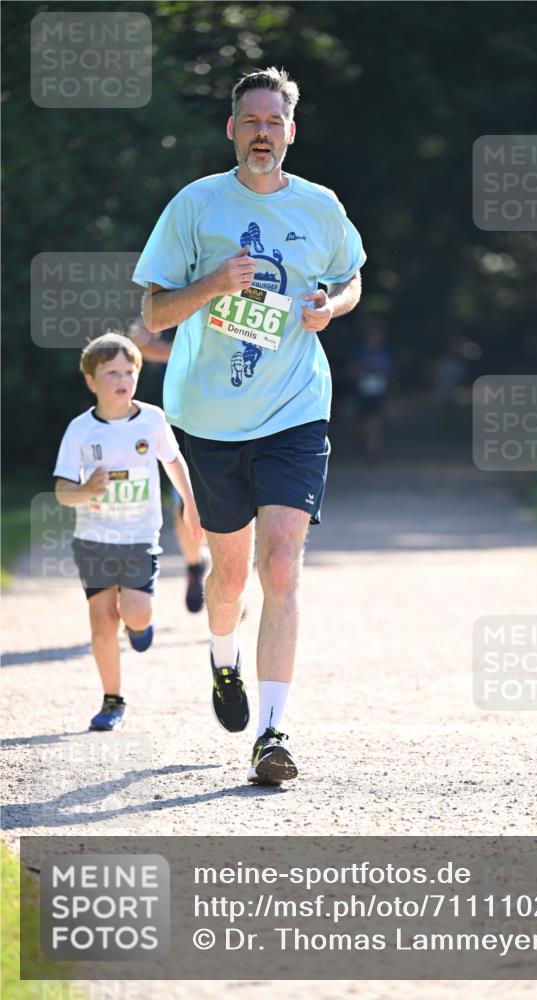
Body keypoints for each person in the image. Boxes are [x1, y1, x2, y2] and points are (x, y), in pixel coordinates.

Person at [133, 66, 365, 785]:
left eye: (274, 122)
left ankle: (272, 732)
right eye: (250, 121)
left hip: (295, 408)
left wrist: (333, 305)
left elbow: (352, 276)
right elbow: (152, 315)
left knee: (283, 565)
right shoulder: (195, 205)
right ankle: (222, 659)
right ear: (231, 129)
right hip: (208, 416)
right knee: (229, 577)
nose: (262, 133)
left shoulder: (320, 206)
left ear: (290, 132)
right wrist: (212, 285)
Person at [53, 332, 201, 731]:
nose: (122, 379)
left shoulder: (152, 419)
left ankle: (140, 626)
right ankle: (112, 700)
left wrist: (190, 504)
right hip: (94, 541)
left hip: (139, 537)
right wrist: (86, 490)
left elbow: (174, 463)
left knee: (135, 612)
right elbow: (63, 492)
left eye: (129, 371)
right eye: (111, 372)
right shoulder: (80, 430)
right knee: (102, 621)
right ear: (91, 380)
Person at [128, 318, 208, 613]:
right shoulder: (174, 288)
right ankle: (195, 565)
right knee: (185, 503)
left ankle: (228, 578)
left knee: (237, 506)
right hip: (182, 418)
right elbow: (140, 343)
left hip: (235, 415)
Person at [349, 319, 394, 464]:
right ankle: (363, 444)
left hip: (378, 394)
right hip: (362, 393)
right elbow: (351, 371)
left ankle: (373, 453)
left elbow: (390, 373)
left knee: (375, 422)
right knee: (363, 424)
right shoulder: (359, 352)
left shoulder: (385, 353)